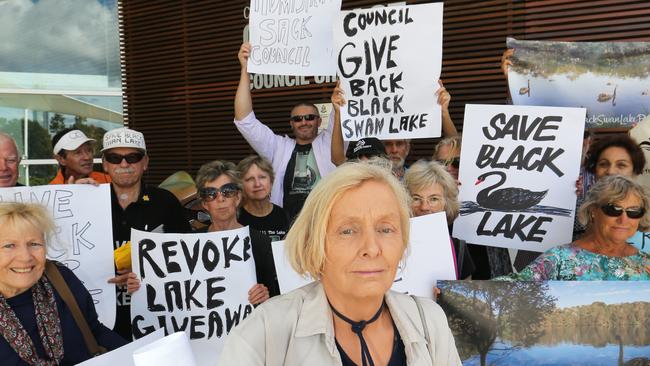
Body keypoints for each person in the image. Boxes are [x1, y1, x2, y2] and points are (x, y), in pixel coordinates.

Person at [218, 162, 461, 365]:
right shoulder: (262, 334)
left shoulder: (430, 321)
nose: (372, 248)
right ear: (314, 243)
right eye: (347, 231)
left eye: (386, 229)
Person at [128, 160, 280, 305]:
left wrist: (265, 295)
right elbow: (169, 287)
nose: (220, 198)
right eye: (211, 193)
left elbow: (275, 299)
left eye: (228, 191)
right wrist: (140, 285)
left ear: (238, 197)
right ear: (204, 203)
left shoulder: (260, 243)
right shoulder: (188, 244)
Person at [0, 202, 126, 365]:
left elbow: (94, 331)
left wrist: (139, 357)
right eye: (9, 245)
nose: (25, 257)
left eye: (34, 244)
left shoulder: (59, 277)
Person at [102, 127, 192, 340]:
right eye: (115, 158)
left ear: (145, 162)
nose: (124, 164)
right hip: (102, 324)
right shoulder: (88, 201)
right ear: (105, 164)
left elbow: (187, 257)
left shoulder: (166, 202)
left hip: (156, 319)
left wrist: (146, 272)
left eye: (133, 157)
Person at [234, 43, 336, 220]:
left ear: (319, 121)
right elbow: (245, 120)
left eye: (310, 117)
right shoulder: (278, 147)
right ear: (291, 124)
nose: (304, 122)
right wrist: (245, 70)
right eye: (298, 119)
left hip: (326, 223)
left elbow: (345, 105)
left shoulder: (330, 142)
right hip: (286, 227)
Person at [512, 175, 650, 280]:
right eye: (613, 209)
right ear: (593, 211)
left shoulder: (646, 264)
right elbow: (511, 291)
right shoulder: (559, 259)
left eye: (633, 211)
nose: (623, 219)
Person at [404, 160, 475, 279]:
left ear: (446, 203)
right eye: (416, 199)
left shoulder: (458, 248)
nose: (424, 207)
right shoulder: (391, 244)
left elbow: (464, 295)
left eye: (433, 199)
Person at [237, 155, 290, 242]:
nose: (257, 184)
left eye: (262, 177)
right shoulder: (237, 219)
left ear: (271, 181)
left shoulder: (285, 216)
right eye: (250, 179)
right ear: (241, 185)